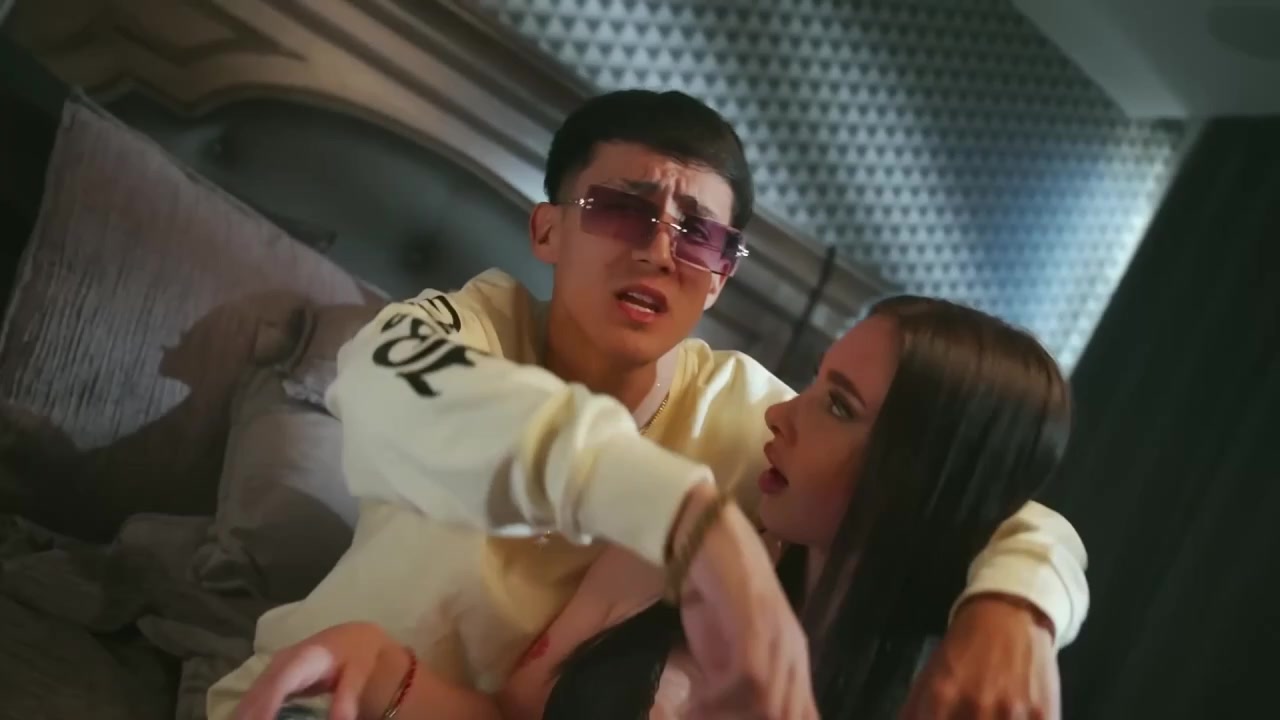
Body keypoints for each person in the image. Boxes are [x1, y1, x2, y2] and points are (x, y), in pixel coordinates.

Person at [207, 89, 1088, 720]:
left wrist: (1017, 612)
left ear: (721, 276)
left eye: (698, 234)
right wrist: (686, 518)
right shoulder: (454, 332)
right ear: (548, 229)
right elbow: (384, 379)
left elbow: (957, 481)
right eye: (623, 211)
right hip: (312, 698)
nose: (660, 251)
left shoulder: (748, 415)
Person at [233, 293, 1073, 720]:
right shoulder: (689, 537)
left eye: (838, 405)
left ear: (920, 476)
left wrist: (1020, 602)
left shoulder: (951, 686)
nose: (783, 414)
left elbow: (1026, 523)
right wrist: (385, 671)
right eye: (815, 383)